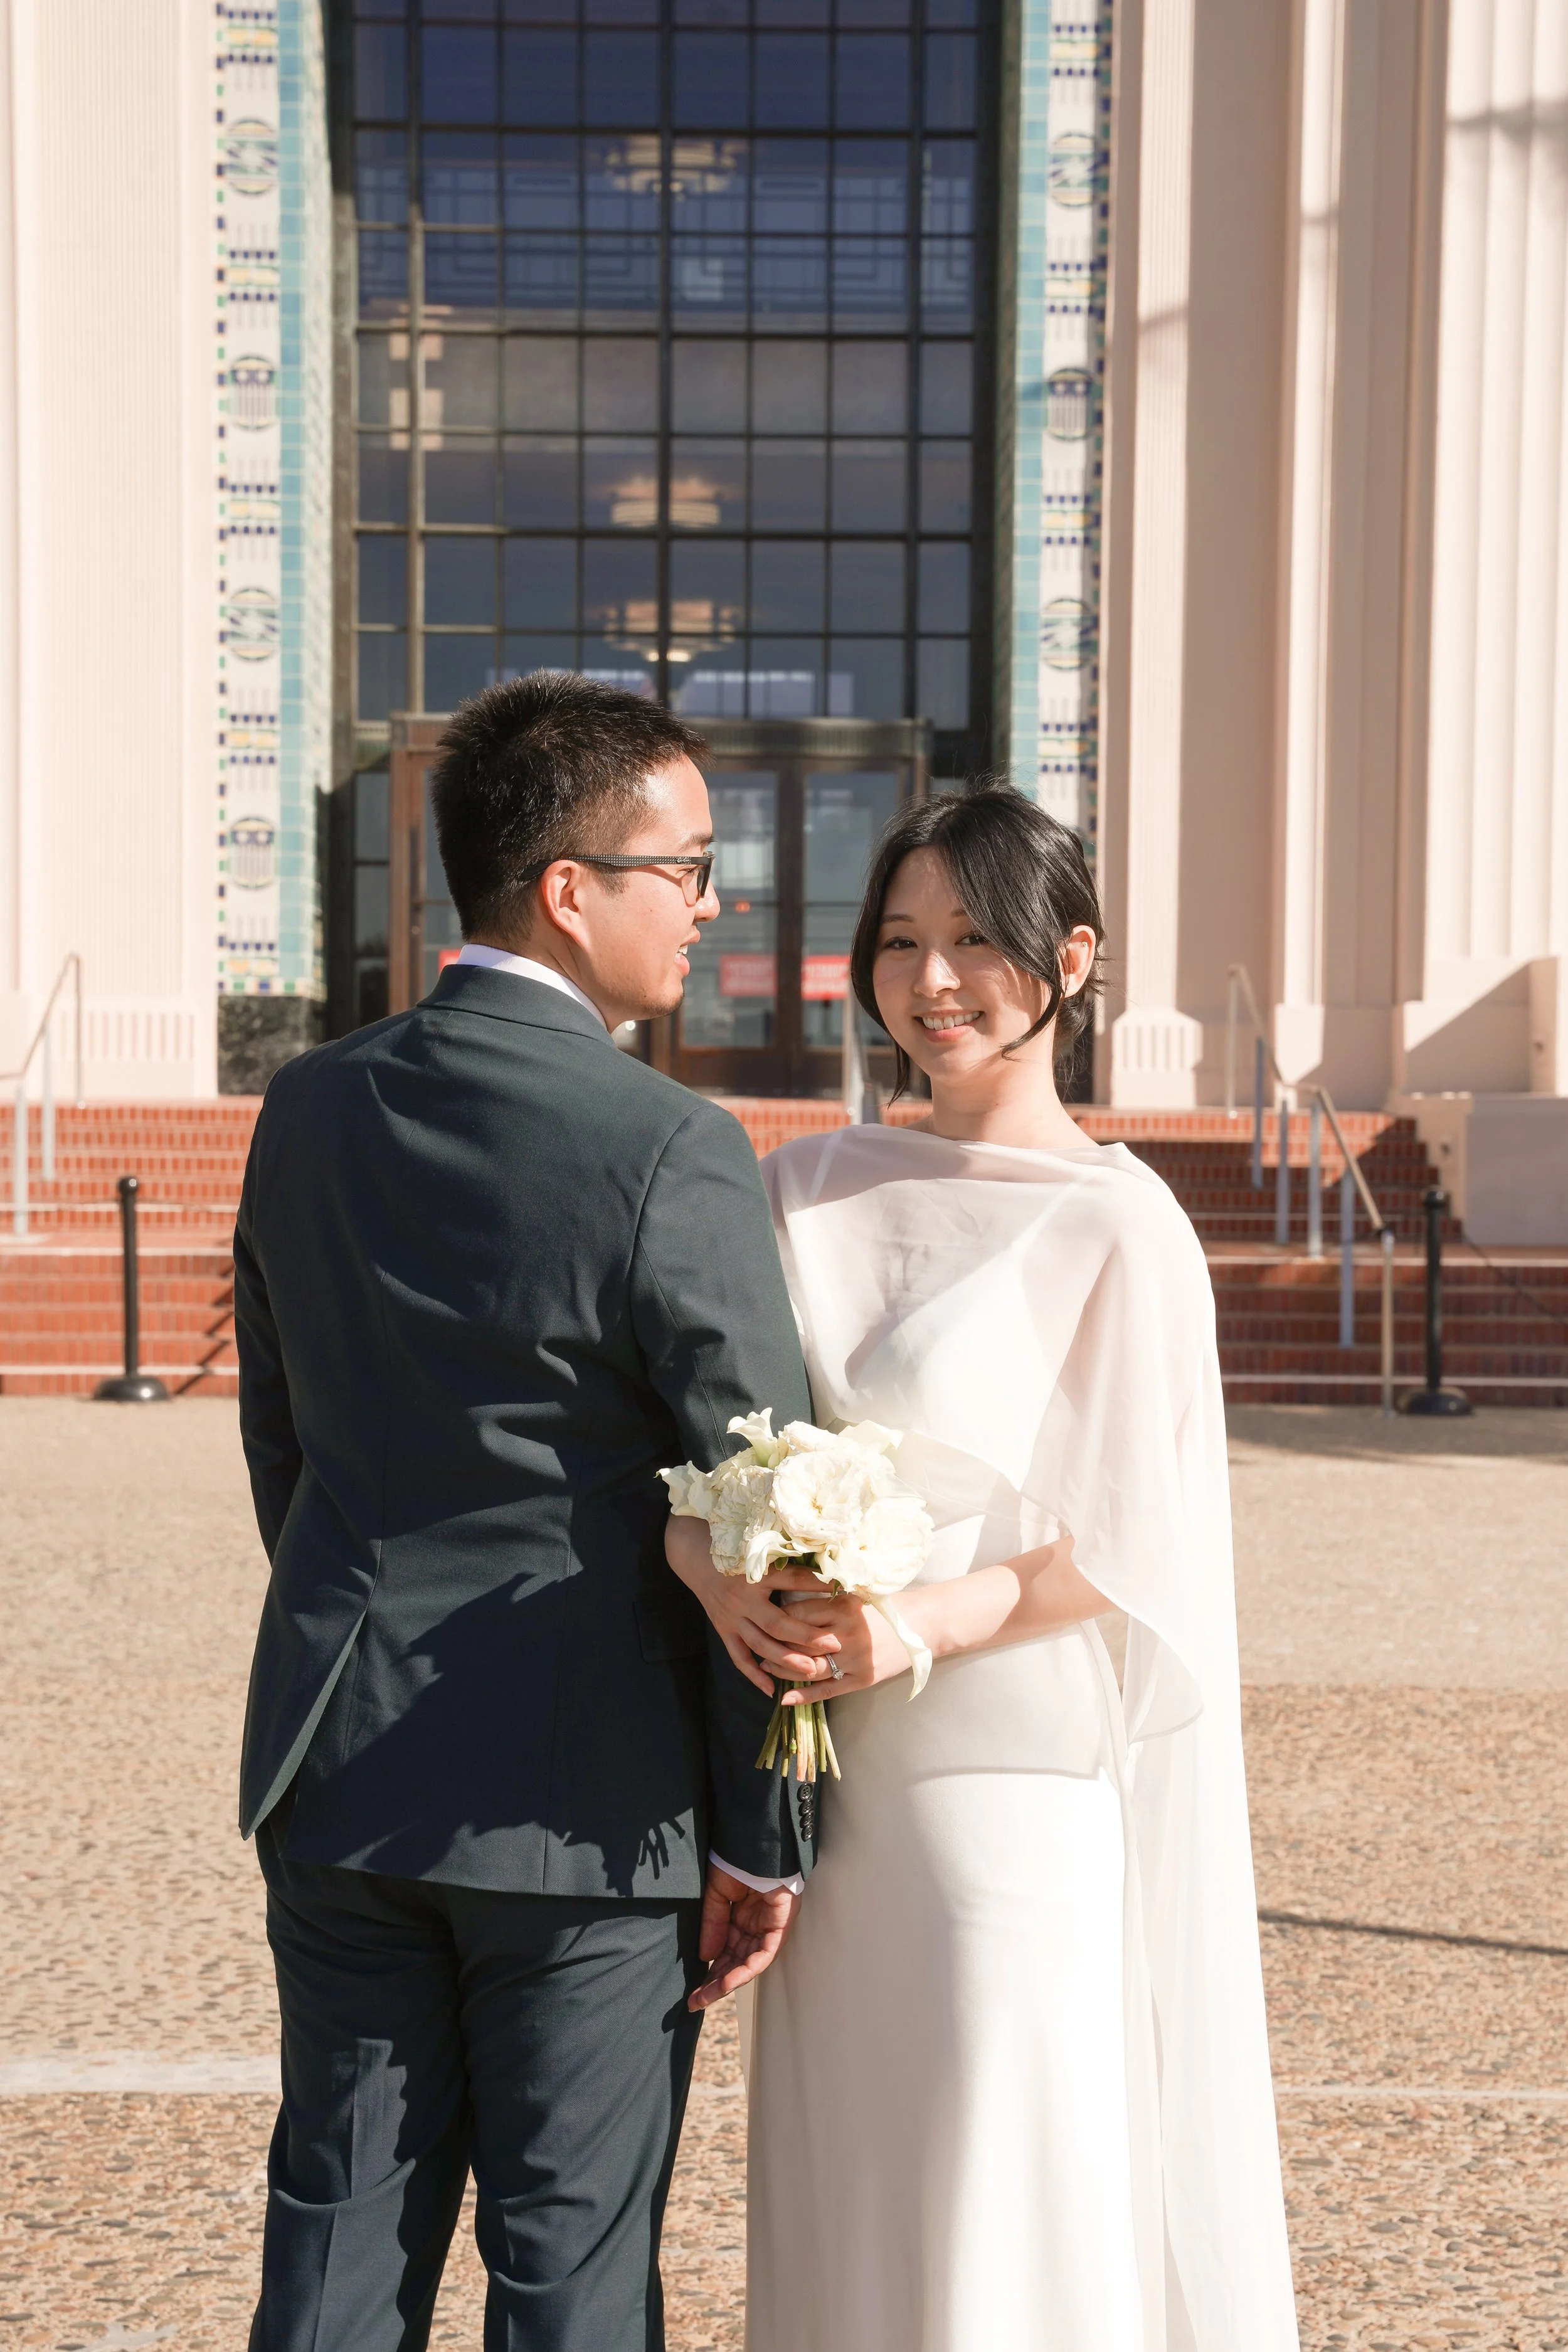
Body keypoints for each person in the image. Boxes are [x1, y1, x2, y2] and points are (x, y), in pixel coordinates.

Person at [233, 674, 838, 2351]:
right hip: (590, 1806)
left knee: (335, 2251)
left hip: (342, 1767)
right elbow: (762, 1513)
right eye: (691, 867)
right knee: (573, 2277)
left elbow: (286, 1447)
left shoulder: (309, 1104)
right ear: (572, 887)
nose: (711, 909)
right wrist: (754, 1830)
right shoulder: (668, 1144)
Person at [667, 783, 1300, 2351]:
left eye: (972, 942)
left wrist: (909, 1627)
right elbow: (689, 1461)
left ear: (1069, 960)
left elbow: (1139, 1537)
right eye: (898, 942)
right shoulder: (798, 1183)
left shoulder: (1119, 1222)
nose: (929, 982)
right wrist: (716, 1575)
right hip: (826, 1799)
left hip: (999, 1796)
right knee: (852, 2196)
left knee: (992, 2186)